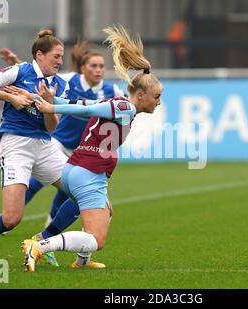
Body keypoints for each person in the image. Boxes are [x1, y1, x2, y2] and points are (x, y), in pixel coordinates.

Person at [19, 25, 163, 272]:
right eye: (156, 96)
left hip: (76, 168)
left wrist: (54, 101)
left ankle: (81, 261)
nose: (158, 102)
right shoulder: (125, 108)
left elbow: (83, 103)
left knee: (106, 210)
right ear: (140, 95)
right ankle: (40, 245)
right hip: (87, 172)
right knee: (97, 239)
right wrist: (52, 108)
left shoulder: (117, 103)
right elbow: (86, 109)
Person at [0, 41, 125, 269]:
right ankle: (11, 219)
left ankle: (50, 239)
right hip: (58, 144)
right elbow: (41, 80)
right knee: (37, 185)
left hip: (83, 153)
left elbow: (126, 104)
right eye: (94, 65)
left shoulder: (112, 91)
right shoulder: (70, 80)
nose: (98, 70)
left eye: (101, 66)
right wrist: (16, 63)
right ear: (83, 68)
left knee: (74, 197)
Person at [0, 29, 69, 269]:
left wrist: (48, 106)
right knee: (11, 219)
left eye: (62, 57)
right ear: (40, 55)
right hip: (16, 144)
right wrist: (12, 99)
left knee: (82, 192)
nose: (61, 61)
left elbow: (51, 128)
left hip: (44, 146)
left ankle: (42, 241)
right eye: (56, 56)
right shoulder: (20, 71)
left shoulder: (59, 85)